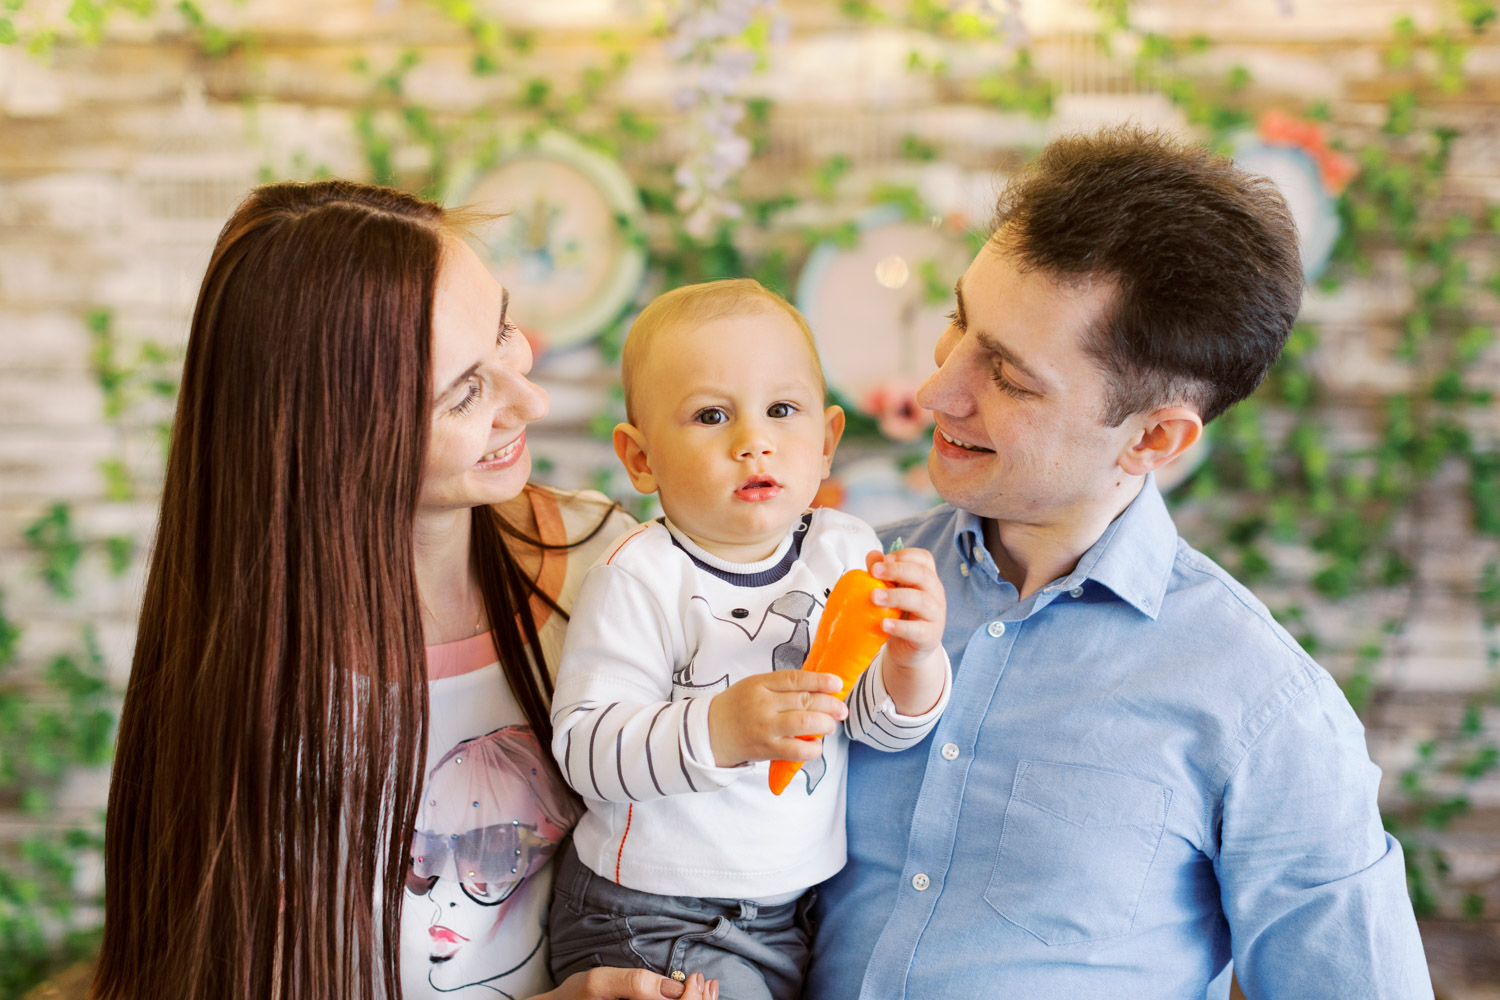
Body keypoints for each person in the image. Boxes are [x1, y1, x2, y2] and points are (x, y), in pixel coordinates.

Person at [805, 126, 1433, 999]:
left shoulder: (1267, 709)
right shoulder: (830, 574)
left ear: (1155, 439)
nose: (936, 389)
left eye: (1010, 377)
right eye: (959, 320)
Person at [91, 180, 716, 1000]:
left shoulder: (613, 563)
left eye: (504, 330)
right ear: (336, 437)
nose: (529, 400)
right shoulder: (252, 690)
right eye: (465, 393)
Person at [545, 280, 953, 1000]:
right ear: (640, 459)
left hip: (792, 910)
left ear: (826, 442)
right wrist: (720, 729)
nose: (753, 441)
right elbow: (585, 751)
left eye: (782, 410)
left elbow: (875, 727)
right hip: (653, 913)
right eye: (711, 415)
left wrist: (912, 658)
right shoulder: (640, 575)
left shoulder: (845, 551)